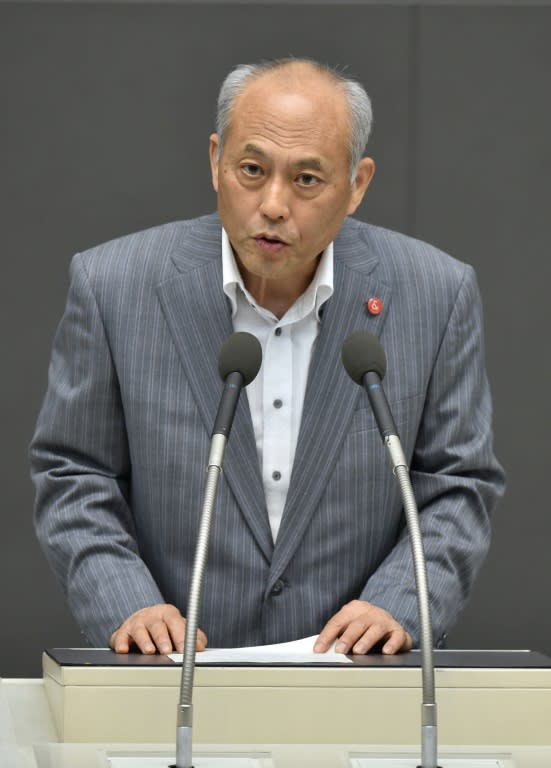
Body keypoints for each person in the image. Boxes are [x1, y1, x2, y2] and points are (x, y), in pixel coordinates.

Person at [30, 58, 504, 658]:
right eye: (251, 170)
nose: (274, 204)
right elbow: (74, 471)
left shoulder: (436, 292)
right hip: (174, 673)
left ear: (357, 185)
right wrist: (126, 601)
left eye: (307, 180)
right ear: (214, 161)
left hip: (350, 679)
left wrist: (402, 601)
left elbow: (457, 482)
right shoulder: (114, 284)